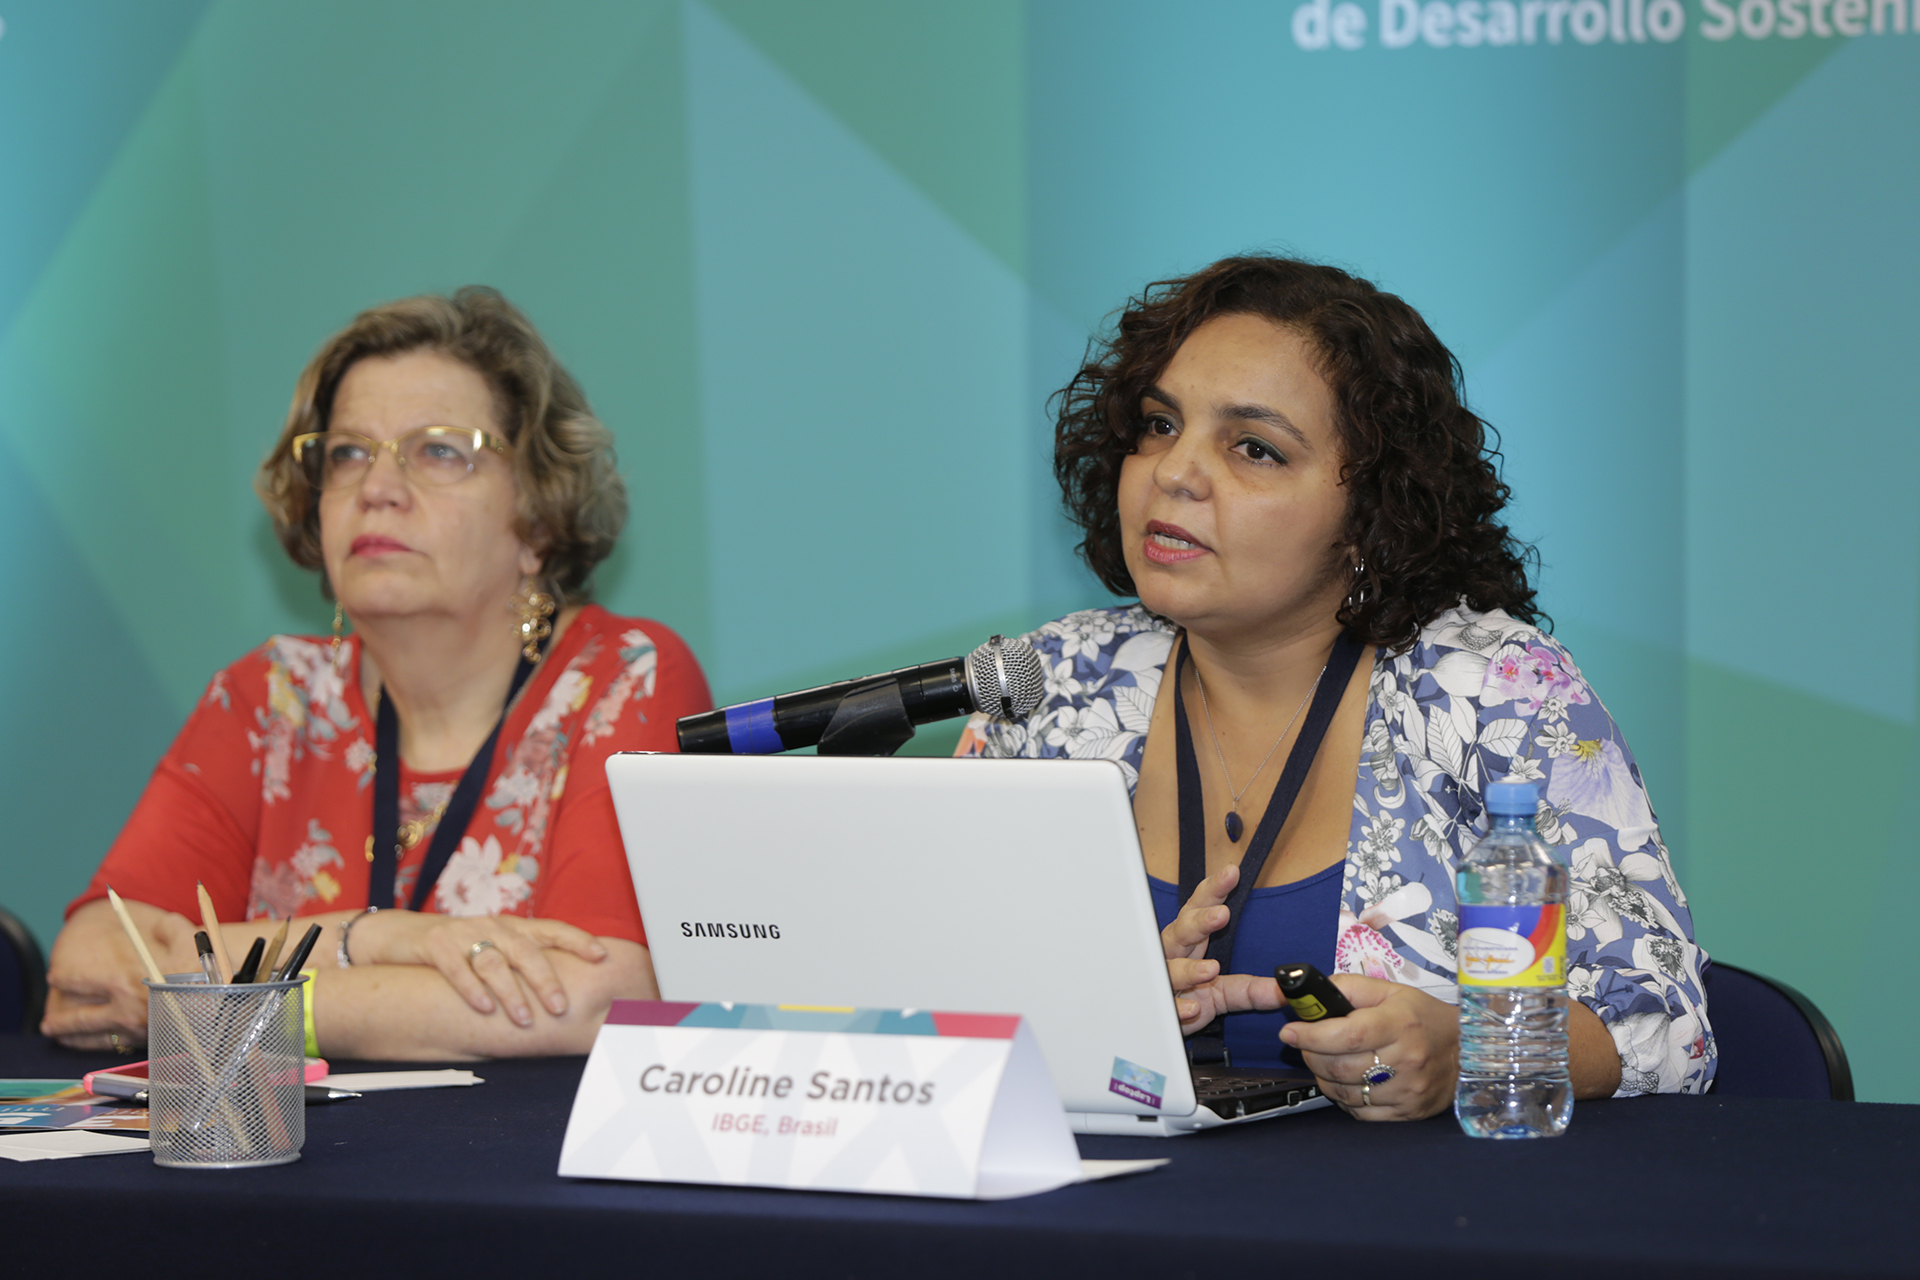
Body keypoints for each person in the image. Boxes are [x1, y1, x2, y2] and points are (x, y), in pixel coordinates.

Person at [959, 256, 1711, 1119]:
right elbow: (927, 988)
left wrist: (1472, 1046)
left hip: (1410, 1199)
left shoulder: (1492, 693)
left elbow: (1666, 1028)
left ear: (1368, 515)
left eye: (1255, 448)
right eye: (1160, 425)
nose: (1174, 471)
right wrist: (1088, 1003)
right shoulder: (1050, 686)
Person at [42, 288, 712, 1060]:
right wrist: (373, 938)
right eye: (348, 453)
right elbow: (89, 969)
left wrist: (229, 1003)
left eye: (439, 451)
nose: (377, 488)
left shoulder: (624, 678)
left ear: (538, 517)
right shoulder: (269, 699)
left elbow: (591, 996)